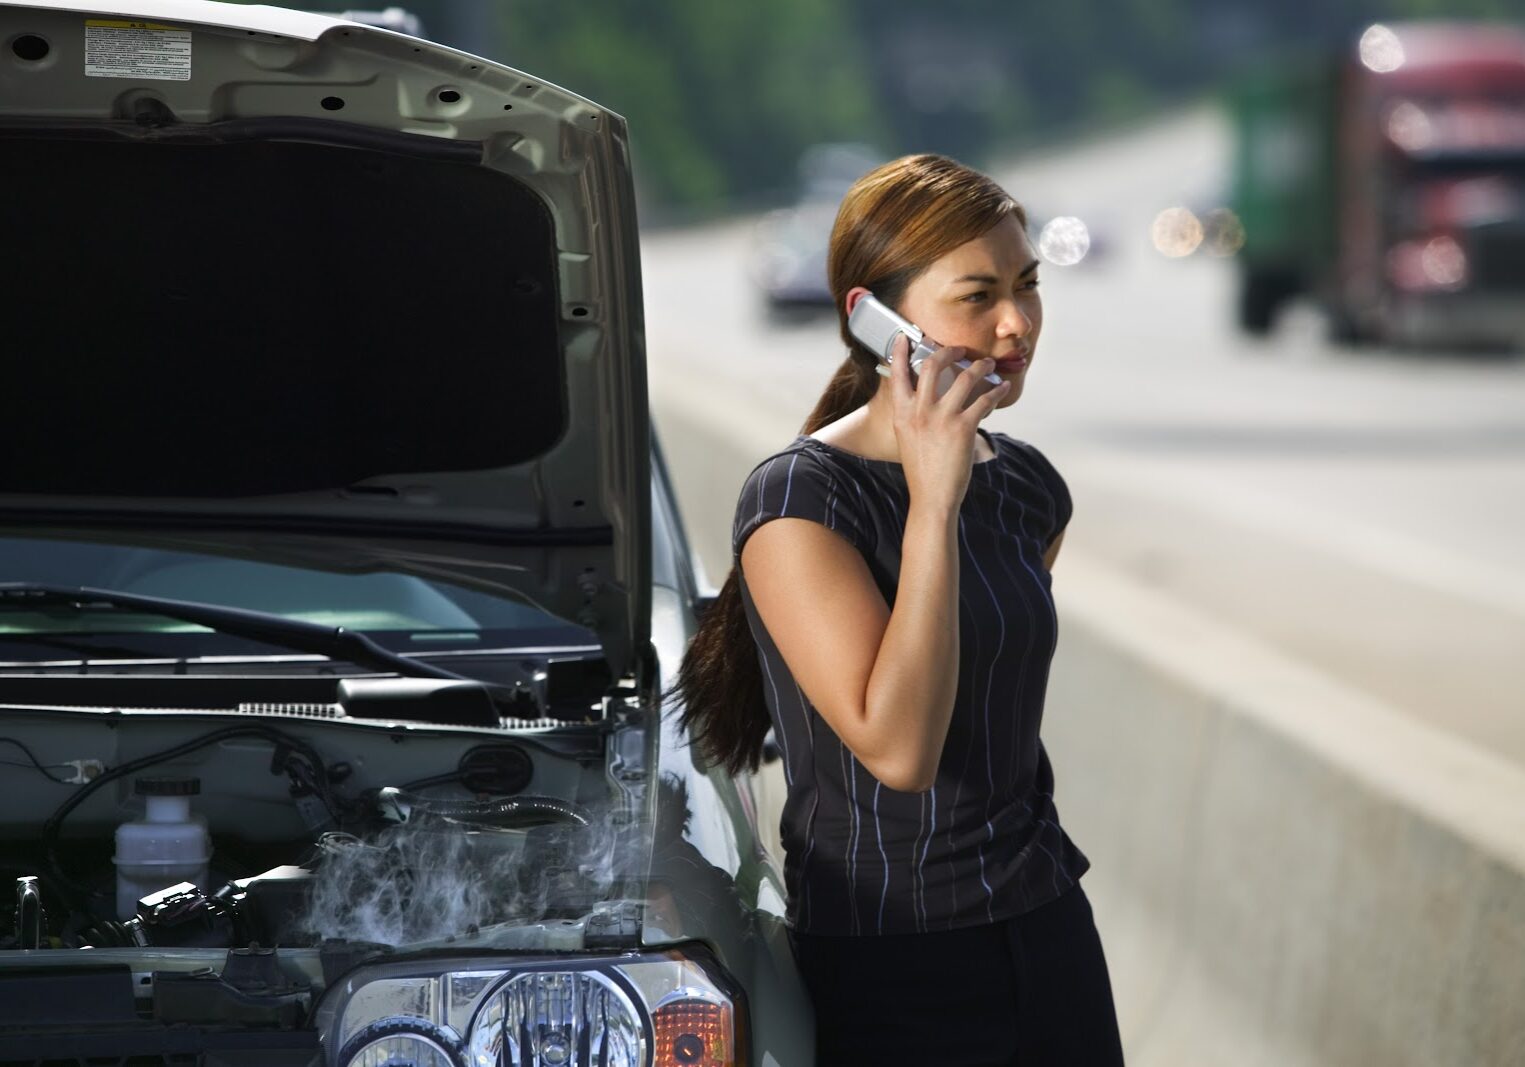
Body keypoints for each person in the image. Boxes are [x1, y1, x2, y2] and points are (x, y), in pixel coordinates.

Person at [674, 154, 1125, 1065]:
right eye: (977, 295)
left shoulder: (1030, 488)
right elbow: (901, 748)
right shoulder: (798, 502)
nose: (1015, 322)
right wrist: (932, 501)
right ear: (875, 322)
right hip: (893, 964)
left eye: (1027, 285)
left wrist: (951, 488)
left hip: (1049, 934)